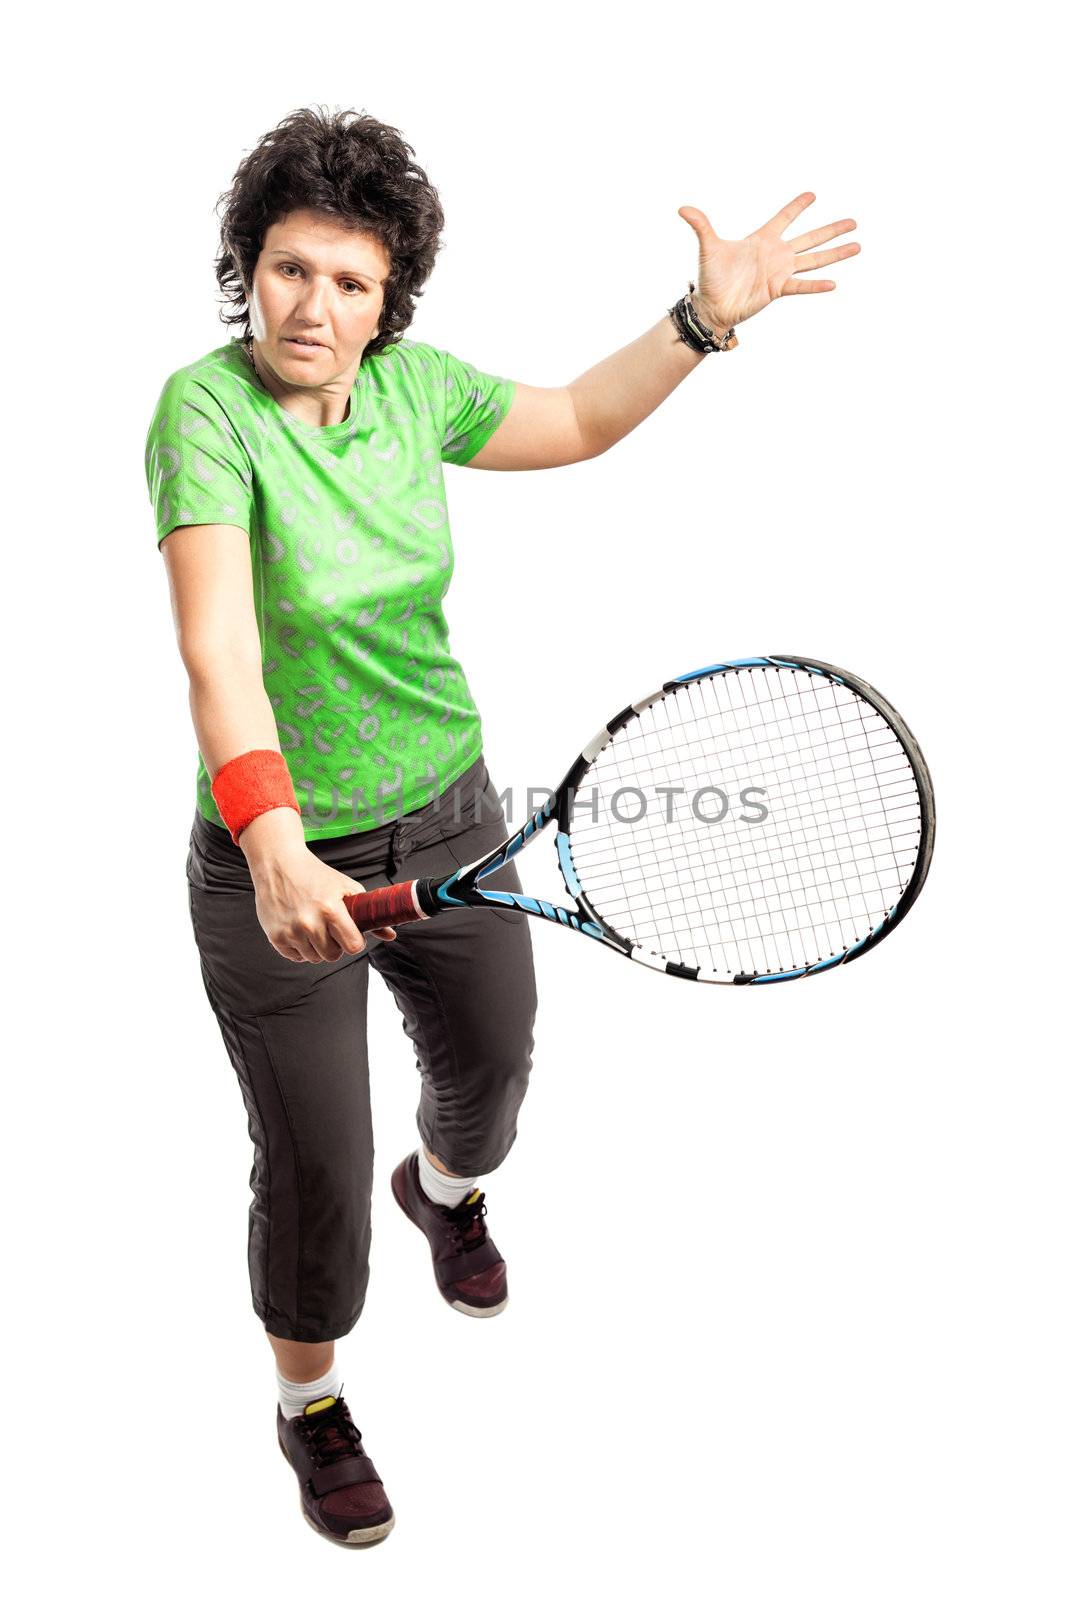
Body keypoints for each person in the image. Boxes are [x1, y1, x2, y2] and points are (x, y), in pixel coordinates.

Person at [144, 103, 860, 1548]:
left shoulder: (416, 392)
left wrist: (699, 323)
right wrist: (274, 838)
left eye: (351, 282)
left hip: (454, 818)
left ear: (386, 300)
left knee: (489, 1076)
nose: (315, 305)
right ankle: (311, 1403)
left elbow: (582, 420)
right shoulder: (204, 414)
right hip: (274, 858)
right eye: (291, 269)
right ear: (249, 267)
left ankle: (449, 1193)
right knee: (316, 1177)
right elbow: (219, 650)